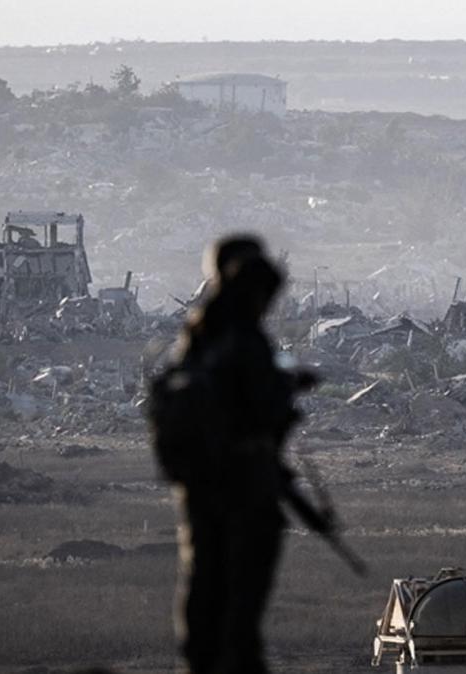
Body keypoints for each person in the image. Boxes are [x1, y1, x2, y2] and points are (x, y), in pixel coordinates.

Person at [152, 235, 317, 674]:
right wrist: (288, 388)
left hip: (201, 492)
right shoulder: (244, 342)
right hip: (243, 490)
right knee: (239, 613)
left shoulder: (196, 339)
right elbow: (263, 412)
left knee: (204, 594)